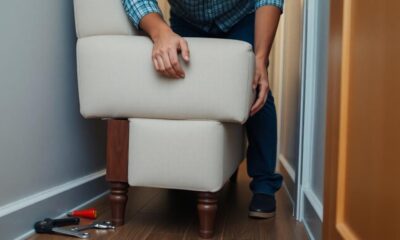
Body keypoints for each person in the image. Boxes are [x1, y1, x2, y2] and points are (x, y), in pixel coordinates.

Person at [123, 0, 284, 219]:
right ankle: (184, 173)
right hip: (188, 20)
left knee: (253, 87)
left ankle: (264, 183)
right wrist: (160, 32)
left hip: (242, 16)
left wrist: (261, 58)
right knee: (186, 89)